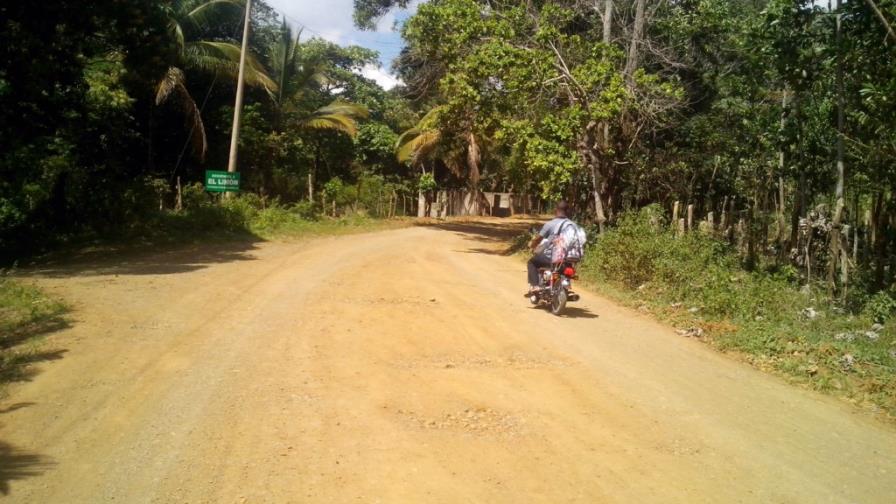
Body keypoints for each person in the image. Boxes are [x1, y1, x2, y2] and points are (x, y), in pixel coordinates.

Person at [526, 201, 575, 295]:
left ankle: (535, 286)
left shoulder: (550, 224)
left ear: (555, 210)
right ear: (567, 211)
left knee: (531, 262)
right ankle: (566, 285)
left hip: (551, 258)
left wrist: (532, 245)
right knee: (567, 267)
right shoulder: (572, 225)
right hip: (568, 259)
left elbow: (538, 239)